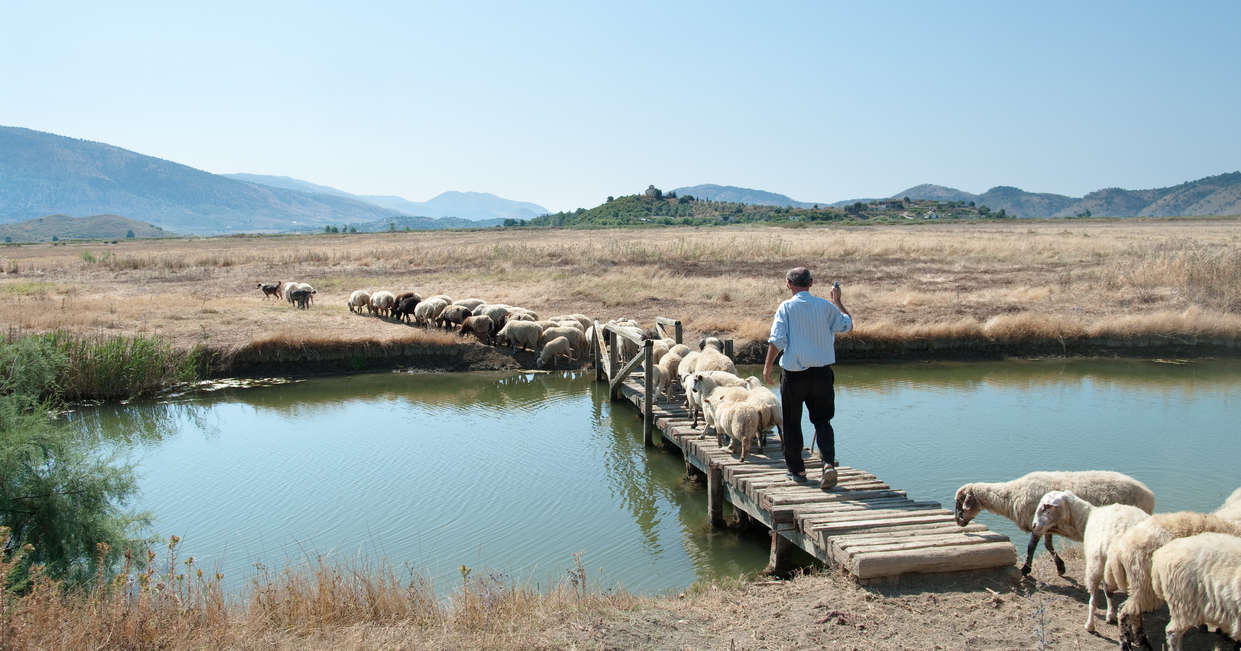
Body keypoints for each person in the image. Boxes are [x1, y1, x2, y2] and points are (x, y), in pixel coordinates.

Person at [762, 266, 852, 489]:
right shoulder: (826, 307)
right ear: (811, 282)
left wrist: (767, 368)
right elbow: (847, 325)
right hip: (822, 374)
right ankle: (828, 464)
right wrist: (837, 301)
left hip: (794, 376)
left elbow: (777, 340)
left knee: (791, 423)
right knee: (823, 422)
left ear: (788, 285)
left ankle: (798, 471)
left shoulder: (785, 308)